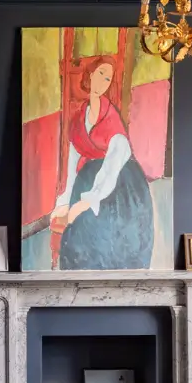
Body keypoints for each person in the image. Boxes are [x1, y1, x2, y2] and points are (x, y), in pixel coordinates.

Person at [50, 57, 153, 269]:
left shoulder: (111, 118)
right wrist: (65, 201)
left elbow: (112, 166)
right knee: (78, 233)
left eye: (108, 79)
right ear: (89, 75)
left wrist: (88, 201)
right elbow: (73, 163)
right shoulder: (79, 118)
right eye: (100, 74)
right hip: (88, 178)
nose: (103, 82)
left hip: (120, 183)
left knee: (108, 233)